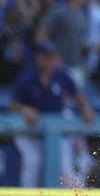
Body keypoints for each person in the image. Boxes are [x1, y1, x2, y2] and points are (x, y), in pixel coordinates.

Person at [10, 41, 95, 187]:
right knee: (32, 162)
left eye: (51, 56)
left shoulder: (62, 75)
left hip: (57, 129)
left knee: (64, 167)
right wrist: (25, 109)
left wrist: (86, 107)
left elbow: (79, 98)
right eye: (45, 56)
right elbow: (13, 104)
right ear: (38, 58)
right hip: (31, 130)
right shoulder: (28, 77)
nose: (49, 60)